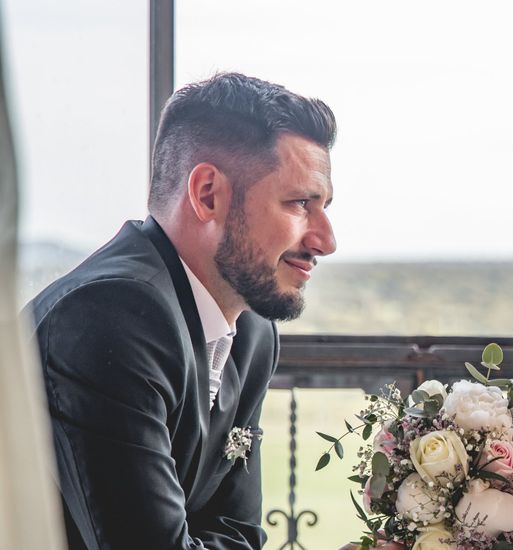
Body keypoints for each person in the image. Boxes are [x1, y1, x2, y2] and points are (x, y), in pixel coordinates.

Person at [27, 72, 337, 549]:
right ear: (208, 194)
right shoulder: (108, 316)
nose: (326, 241)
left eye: (324, 207)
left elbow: (239, 532)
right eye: (300, 204)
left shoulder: (252, 331)